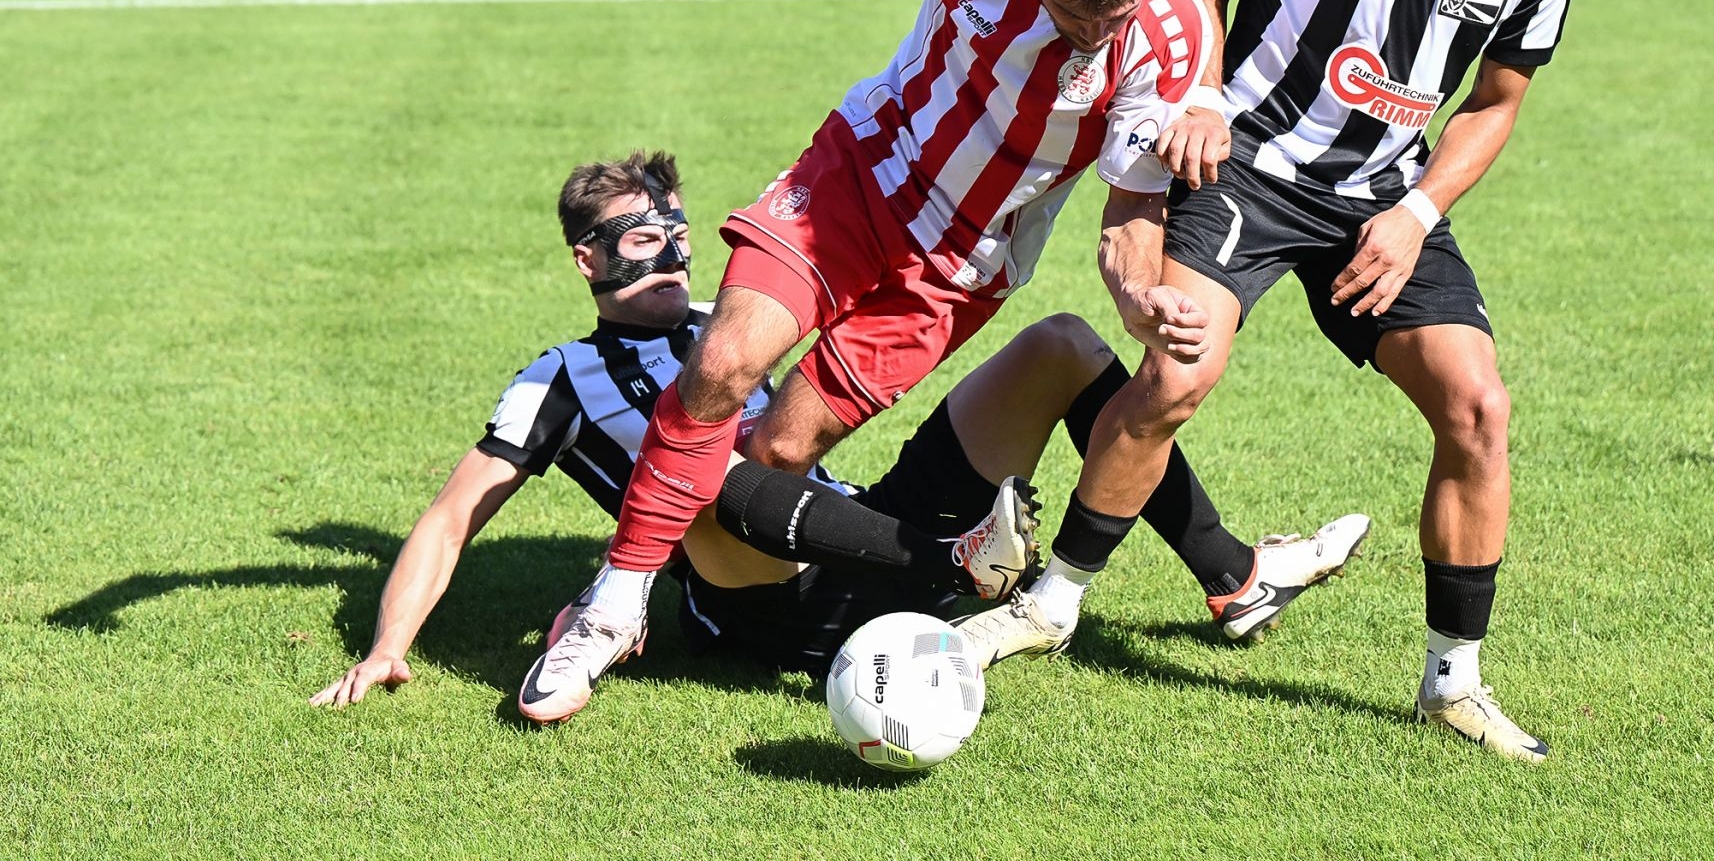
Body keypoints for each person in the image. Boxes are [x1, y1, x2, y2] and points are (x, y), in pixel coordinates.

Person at [961, 0, 1576, 766]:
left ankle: (1452, 682)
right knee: (1179, 367)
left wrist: (1416, 211)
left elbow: (1494, 103)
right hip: (1249, 161)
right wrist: (1202, 96)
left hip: (1383, 198)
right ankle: (1052, 603)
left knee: (1478, 407)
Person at [516, 0, 1227, 723]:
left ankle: (716, 580)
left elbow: (1129, 219)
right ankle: (613, 608)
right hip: (860, 174)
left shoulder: (1167, 34)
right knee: (723, 361)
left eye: (1109, 16)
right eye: (1068, 9)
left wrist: (1143, 299)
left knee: (776, 456)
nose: (1092, 34)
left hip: (961, 267)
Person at [313, 149, 1361, 707]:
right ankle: (964, 562)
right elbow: (450, 517)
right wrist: (388, 647)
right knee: (702, 462)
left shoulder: (724, 323)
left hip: (855, 532)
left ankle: (1232, 576)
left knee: (1061, 345)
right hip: (754, 600)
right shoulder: (558, 379)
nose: (670, 249)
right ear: (586, 258)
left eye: (677, 228)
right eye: (638, 236)